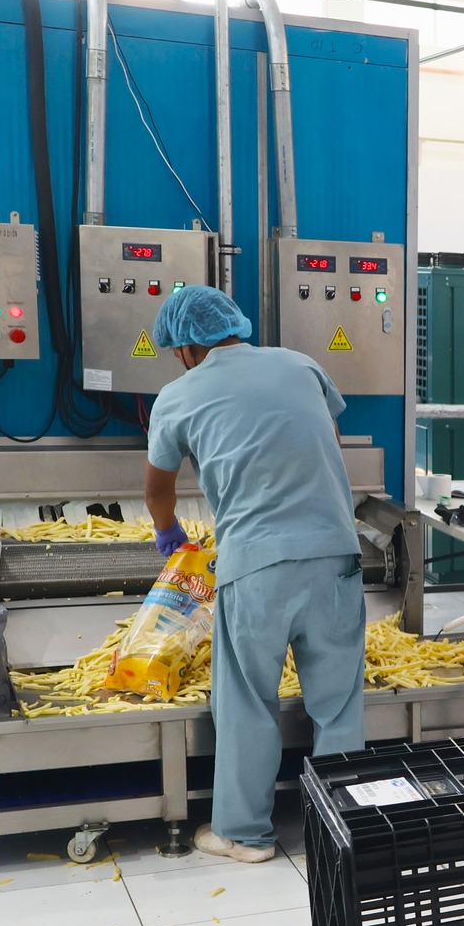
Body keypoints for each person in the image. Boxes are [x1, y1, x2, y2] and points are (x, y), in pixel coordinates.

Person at [142, 286, 366, 864]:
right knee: (339, 703)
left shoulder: (176, 395)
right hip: (334, 554)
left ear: (188, 345)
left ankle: (244, 834)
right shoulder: (302, 365)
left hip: (256, 565)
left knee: (244, 699)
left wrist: (168, 532)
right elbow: (327, 446)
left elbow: (158, 488)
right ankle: (345, 832)